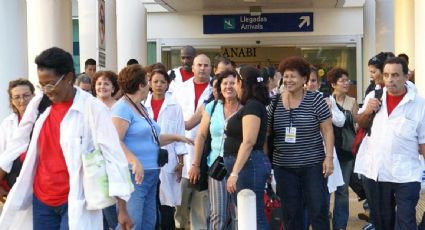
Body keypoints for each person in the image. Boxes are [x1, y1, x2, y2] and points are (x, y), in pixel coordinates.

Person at [0, 47, 134, 230]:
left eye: (51, 84)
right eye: (41, 84)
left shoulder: (92, 109)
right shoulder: (39, 104)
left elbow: (113, 155)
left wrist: (122, 207)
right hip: (42, 201)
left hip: (76, 199)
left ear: (69, 77)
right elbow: (18, 142)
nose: (46, 90)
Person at [111, 64, 191, 230]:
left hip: (152, 174)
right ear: (141, 85)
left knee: (149, 223)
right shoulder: (122, 107)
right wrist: (134, 161)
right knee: (133, 224)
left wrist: (177, 137)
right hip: (134, 176)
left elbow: (152, 138)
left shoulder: (140, 107)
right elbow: (115, 140)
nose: (150, 85)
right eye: (148, 81)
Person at [354, 57, 425, 230]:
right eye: (386, 75)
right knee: (382, 222)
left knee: (406, 220)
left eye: (395, 75)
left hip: (407, 174)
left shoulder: (419, 104)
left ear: (406, 76)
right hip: (377, 172)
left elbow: (423, 143)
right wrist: (368, 111)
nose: (390, 80)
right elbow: (360, 124)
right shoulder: (374, 96)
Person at [267, 57, 334, 230]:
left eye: (292, 76)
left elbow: (327, 130)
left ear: (304, 79)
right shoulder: (274, 103)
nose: (288, 80)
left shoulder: (316, 100)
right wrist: (267, 165)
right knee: (290, 212)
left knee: (318, 209)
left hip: (312, 165)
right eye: (285, 76)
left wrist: (329, 158)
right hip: (284, 167)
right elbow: (266, 134)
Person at [189, 69, 240, 229]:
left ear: (239, 85)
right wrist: (195, 164)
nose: (228, 87)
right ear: (220, 87)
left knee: (238, 213)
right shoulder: (212, 106)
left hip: (239, 166)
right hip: (216, 165)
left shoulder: (245, 107)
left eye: (232, 83)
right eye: (225, 83)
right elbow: (201, 136)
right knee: (218, 213)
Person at [223, 66, 271, 229]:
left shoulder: (252, 106)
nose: (233, 86)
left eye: (235, 81)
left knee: (253, 214)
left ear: (241, 82)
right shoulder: (252, 105)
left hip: (248, 166)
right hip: (249, 165)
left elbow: (249, 141)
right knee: (248, 212)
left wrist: (235, 173)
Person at [143, 66, 186, 230]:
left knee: (167, 204)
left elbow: (180, 135)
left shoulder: (175, 106)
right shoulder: (142, 105)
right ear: (149, 83)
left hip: (169, 160)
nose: (159, 85)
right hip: (147, 160)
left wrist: (181, 163)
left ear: (168, 84)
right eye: (155, 81)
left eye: (162, 82)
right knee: (151, 202)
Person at [172, 54, 212, 230]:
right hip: (181, 151)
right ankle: (179, 226)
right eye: (199, 65)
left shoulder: (215, 89)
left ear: (211, 68)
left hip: (204, 152)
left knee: (200, 202)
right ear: (193, 68)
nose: (202, 68)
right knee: (178, 199)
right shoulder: (180, 88)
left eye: (206, 65)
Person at [327, 67, 359, 230]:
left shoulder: (352, 101)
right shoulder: (326, 101)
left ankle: (340, 225)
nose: (346, 83)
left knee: (342, 189)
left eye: (348, 80)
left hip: (346, 151)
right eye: (342, 80)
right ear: (333, 84)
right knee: (326, 189)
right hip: (329, 151)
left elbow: (355, 127)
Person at [91, 70, 121, 230]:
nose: (102, 87)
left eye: (106, 83)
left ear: (113, 87)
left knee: (111, 199)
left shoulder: (119, 107)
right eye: (99, 83)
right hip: (94, 161)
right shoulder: (89, 105)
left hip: (115, 160)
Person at [0, 79, 35, 199]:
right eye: (17, 97)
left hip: (35, 180)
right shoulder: (7, 123)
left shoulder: (42, 119)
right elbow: (3, 153)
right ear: (11, 100)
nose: (22, 101)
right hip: (11, 181)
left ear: (33, 96)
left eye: (26, 96)